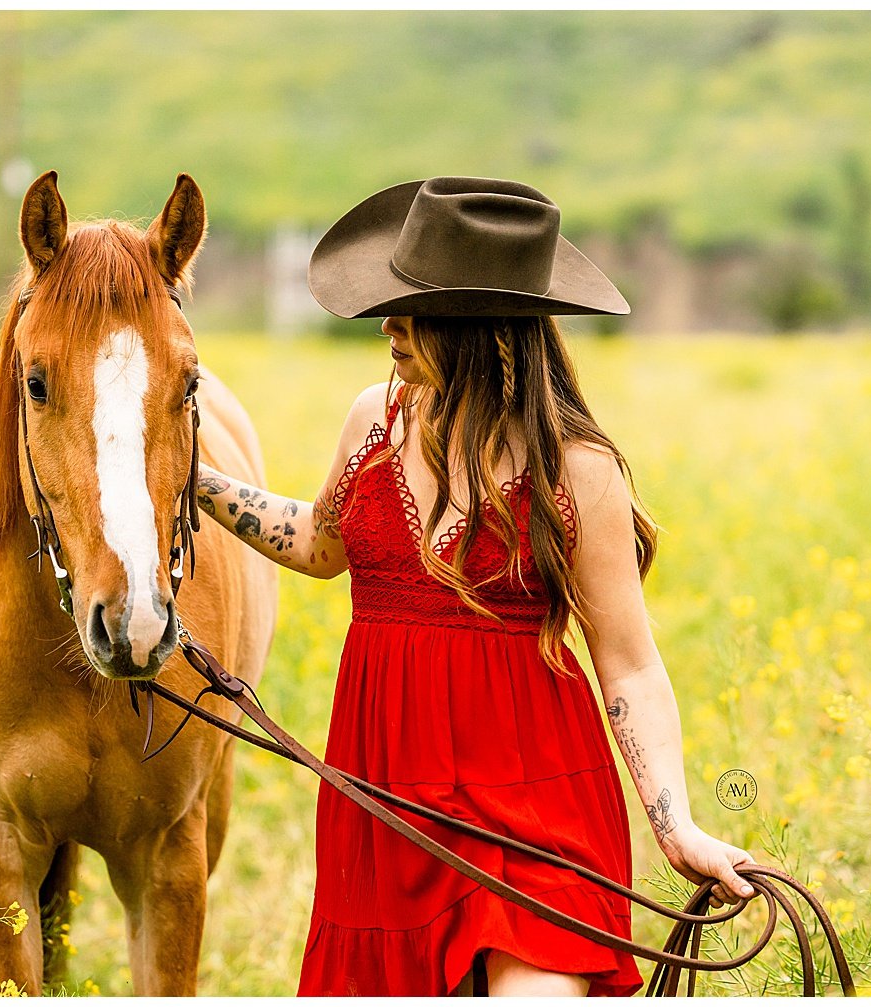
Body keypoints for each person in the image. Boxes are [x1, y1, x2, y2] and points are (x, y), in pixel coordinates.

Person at [194, 177, 756, 996]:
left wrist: (676, 827)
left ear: (477, 329)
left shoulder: (579, 471)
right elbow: (320, 543)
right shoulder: (373, 421)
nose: (386, 324)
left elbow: (630, 664)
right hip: (383, 808)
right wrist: (193, 481)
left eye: (411, 306)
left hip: (539, 816)